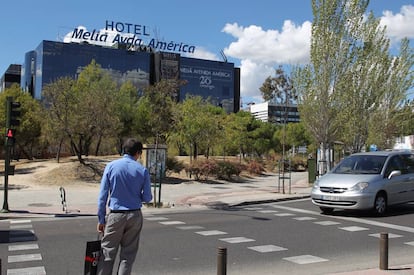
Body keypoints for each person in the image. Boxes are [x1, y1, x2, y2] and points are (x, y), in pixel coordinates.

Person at [97, 138, 152, 275]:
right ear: (138, 153)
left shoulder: (111, 166)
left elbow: (103, 196)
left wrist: (101, 219)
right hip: (134, 215)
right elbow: (147, 197)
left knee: (107, 254)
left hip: (115, 215)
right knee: (128, 256)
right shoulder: (142, 170)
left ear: (123, 150)